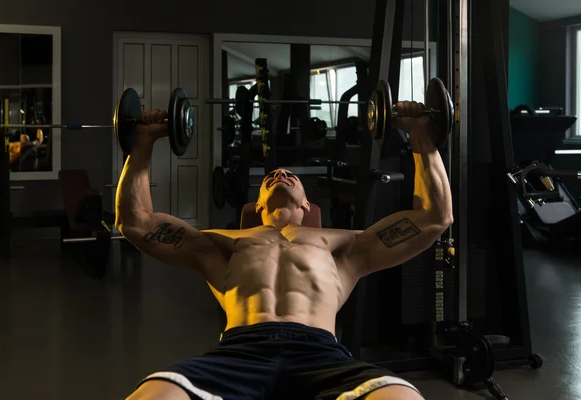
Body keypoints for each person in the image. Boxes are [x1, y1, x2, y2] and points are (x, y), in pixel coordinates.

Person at [117, 101, 453, 400]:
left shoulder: (345, 247)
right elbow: (137, 223)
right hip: (240, 352)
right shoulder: (220, 243)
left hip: (321, 355)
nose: (280, 173)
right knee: (154, 395)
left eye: (289, 174)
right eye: (270, 178)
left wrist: (421, 136)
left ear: (307, 203)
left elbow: (434, 218)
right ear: (258, 203)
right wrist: (143, 142)